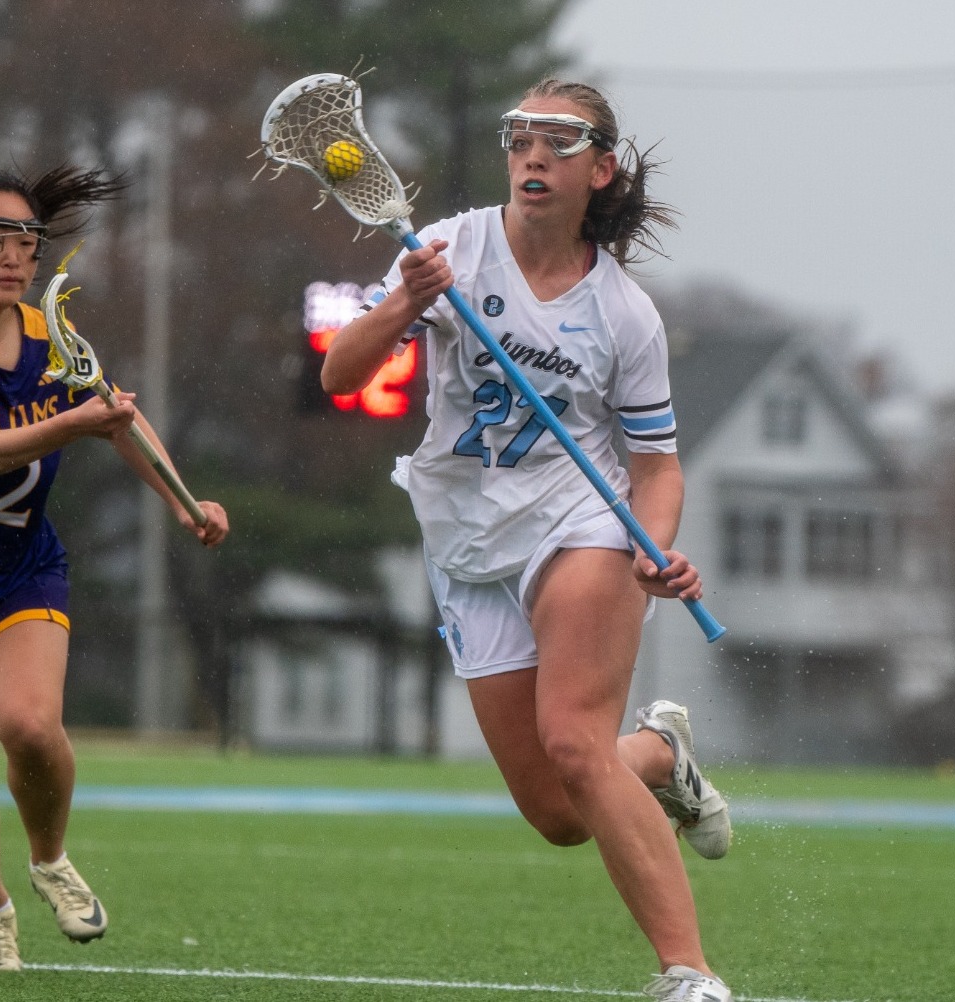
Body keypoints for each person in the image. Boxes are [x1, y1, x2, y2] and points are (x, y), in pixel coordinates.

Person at [323, 80, 734, 1002]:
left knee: (574, 744)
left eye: (559, 138)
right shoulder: (447, 249)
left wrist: (649, 546)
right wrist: (401, 307)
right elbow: (341, 374)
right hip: (465, 543)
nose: (533, 152)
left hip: (577, 523)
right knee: (558, 811)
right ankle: (662, 757)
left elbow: (657, 467)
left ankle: (691, 976)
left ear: (600, 168)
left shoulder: (625, 314)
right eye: (520, 136)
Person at [0, 166, 229, 971]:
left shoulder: (51, 340)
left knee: (28, 725)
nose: (13, 257)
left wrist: (184, 502)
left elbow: (119, 420)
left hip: (18, 566)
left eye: (26, 241)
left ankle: (50, 860)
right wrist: (72, 423)